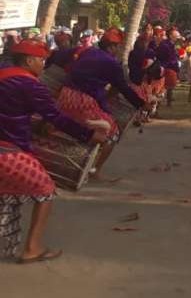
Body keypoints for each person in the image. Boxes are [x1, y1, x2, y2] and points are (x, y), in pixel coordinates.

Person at [0, 39, 108, 262]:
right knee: (45, 189)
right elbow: (56, 118)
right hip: (7, 150)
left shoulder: (4, 74)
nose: (43, 65)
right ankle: (32, 249)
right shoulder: (29, 84)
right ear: (29, 60)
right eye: (41, 60)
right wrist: (88, 135)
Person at [56, 28, 147, 177]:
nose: (118, 50)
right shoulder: (112, 63)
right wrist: (141, 104)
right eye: (118, 47)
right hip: (83, 102)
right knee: (113, 133)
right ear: (112, 47)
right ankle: (95, 170)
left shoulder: (87, 51)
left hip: (64, 96)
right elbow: (123, 88)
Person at [155, 28, 180, 108]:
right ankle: (158, 105)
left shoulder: (171, 44)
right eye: (175, 36)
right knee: (163, 89)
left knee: (169, 87)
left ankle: (168, 102)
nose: (177, 38)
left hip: (170, 67)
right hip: (167, 68)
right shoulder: (165, 45)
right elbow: (166, 57)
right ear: (170, 36)